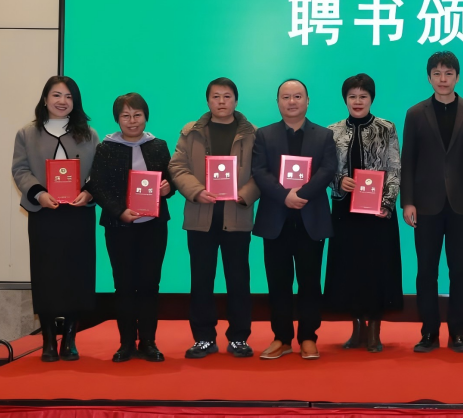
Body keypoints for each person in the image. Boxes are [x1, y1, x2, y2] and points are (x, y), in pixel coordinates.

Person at [401, 51, 463, 353]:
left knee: (460, 270)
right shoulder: (415, 113)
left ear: (457, 77)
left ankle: (458, 333)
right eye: (437, 73)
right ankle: (429, 332)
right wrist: (407, 201)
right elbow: (408, 160)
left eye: (448, 73)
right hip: (425, 204)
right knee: (426, 270)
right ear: (429, 78)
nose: (443, 79)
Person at [169, 78, 260, 359]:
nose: (221, 101)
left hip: (237, 215)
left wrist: (245, 194)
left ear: (236, 100)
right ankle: (204, 338)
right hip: (201, 216)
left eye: (227, 96)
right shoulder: (191, 132)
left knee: (238, 280)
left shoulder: (253, 133)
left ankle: (239, 337)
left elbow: (262, 171)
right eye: (216, 96)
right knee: (201, 279)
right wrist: (196, 191)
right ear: (208, 101)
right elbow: (177, 166)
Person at [11, 75, 99, 362]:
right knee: (46, 275)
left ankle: (70, 338)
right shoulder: (27, 133)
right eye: (57, 95)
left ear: (76, 101)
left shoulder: (89, 134)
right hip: (44, 214)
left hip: (78, 214)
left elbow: (98, 172)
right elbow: (20, 170)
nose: (63, 101)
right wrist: (38, 194)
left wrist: (88, 192)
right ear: (45, 99)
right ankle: (48, 338)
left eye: (69, 96)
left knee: (77, 274)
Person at [252, 79, 338, 360]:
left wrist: (300, 194)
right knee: (278, 282)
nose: (292, 102)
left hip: (311, 219)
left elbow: (327, 170)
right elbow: (259, 171)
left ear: (307, 101)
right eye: (286, 97)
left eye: (298, 96)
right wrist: (284, 196)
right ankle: (282, 338)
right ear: (278, 102)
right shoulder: (264, 135)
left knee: (310, 282)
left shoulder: (324, 135)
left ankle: (309, 337)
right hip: (275, 219)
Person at [89, 93, 173, 362]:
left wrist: (168, 188)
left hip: (153, 227)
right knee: (124, 285)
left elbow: (170, 178)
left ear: (146, 116)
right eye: (125, 115)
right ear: (117, 119)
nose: (132, 120)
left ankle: (148, 341)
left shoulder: (158, 145)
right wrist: (119, 212)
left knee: (150, 284)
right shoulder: (106, 148)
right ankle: (126, 342)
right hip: (119, 227)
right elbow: (97, 185)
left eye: (137, 115)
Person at [323, 74, 403, 353]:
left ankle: (375, 331)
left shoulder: (386, 128)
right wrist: (338, 181)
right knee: (350, 269)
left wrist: (387, 203)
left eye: (363, 96)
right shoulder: (332, 131)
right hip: (345, 211)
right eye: (352, 96)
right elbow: (325, 169)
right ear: (345, 99)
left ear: (372, 99)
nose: (357, 101)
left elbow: (394, 168)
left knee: (377, 269)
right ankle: (357, 327)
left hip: (377, 212)